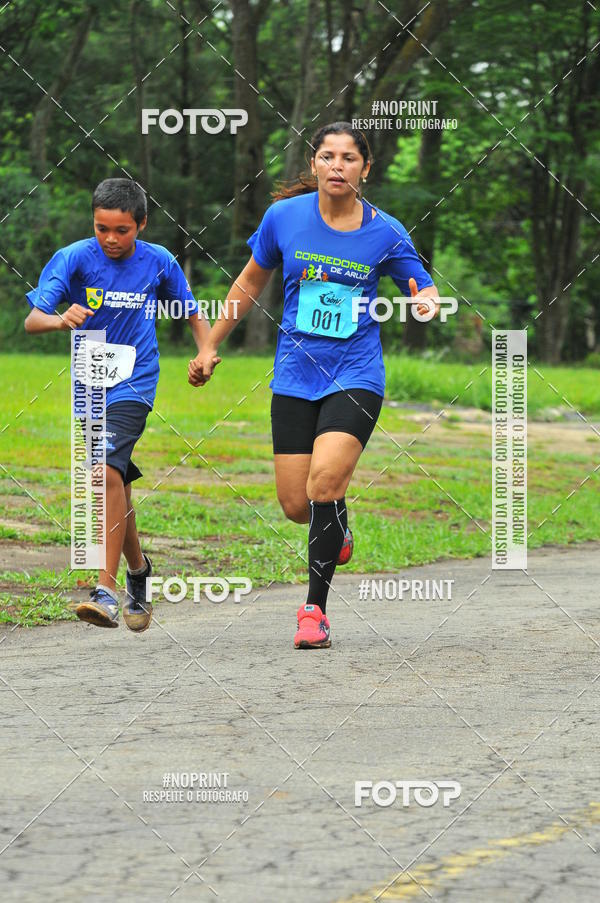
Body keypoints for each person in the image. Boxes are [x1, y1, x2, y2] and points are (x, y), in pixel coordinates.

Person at [189, 122, 439, 649]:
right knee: (297, 505)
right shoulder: (284, 218)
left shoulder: (385, 231)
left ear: (364, 169)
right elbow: (251, 279)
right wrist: (211, 344)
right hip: (296, 375)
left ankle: (314, 611)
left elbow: (419, 279)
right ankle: (338, 526)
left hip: (356, 373)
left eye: (349, 158)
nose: (338, 166)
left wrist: (425, 299)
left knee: (323, 485)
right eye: (328, 156)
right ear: (314, 164)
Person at [25, 178, 211, 632]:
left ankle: (105, 589)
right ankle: (139, 573)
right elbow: (32, 321)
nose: (111, 239)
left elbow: (191, 311)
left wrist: (205, 353)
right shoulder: (73, 258)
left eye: (122, 230)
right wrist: (60, 318)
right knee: (117, 485)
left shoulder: (160, 262)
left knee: (105, 472)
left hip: (135, 381)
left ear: (141, 224)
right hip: (90, 386)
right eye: (102, 228)